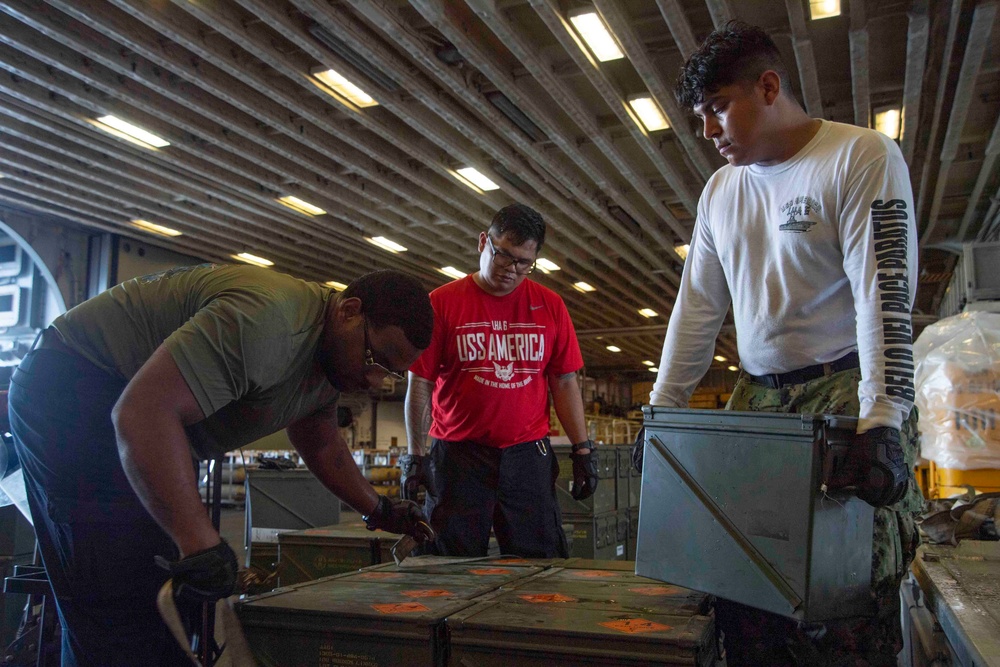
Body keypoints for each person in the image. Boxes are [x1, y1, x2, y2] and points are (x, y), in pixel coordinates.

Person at [648, 21, 921, 666]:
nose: (708, 131)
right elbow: (698, 307)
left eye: (718, 108)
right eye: (700, 117)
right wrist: (661, 410)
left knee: (852, 594)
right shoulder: (721, 191)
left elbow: (884, 292)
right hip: (757, 405)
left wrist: (883, 418)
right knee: (747, 585)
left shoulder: (860, 157)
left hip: (844, 403)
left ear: (768, 87)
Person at [7, 263, 435, 666]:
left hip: (140, 416)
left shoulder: (328, 366)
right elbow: (141, 412)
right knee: (116, 596)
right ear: (349, 310)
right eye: (375, 360)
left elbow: (321, 441)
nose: (374, 381)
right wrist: (200, 542)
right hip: (74, 388)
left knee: (171, 597)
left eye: (391, 375)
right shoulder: (268, 323)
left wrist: (379, 509)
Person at [400, 204, 599, 558]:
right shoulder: (442, 303)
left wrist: (582, 448)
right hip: (459, 457)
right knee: (447, 562)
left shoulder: (550, 306)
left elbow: (565, 382)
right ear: (483, 243)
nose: (512, 270)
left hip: (527, 457)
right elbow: (421, 384)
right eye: (504, 256)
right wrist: (416, 456)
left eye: (524, 262)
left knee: (538, 562)